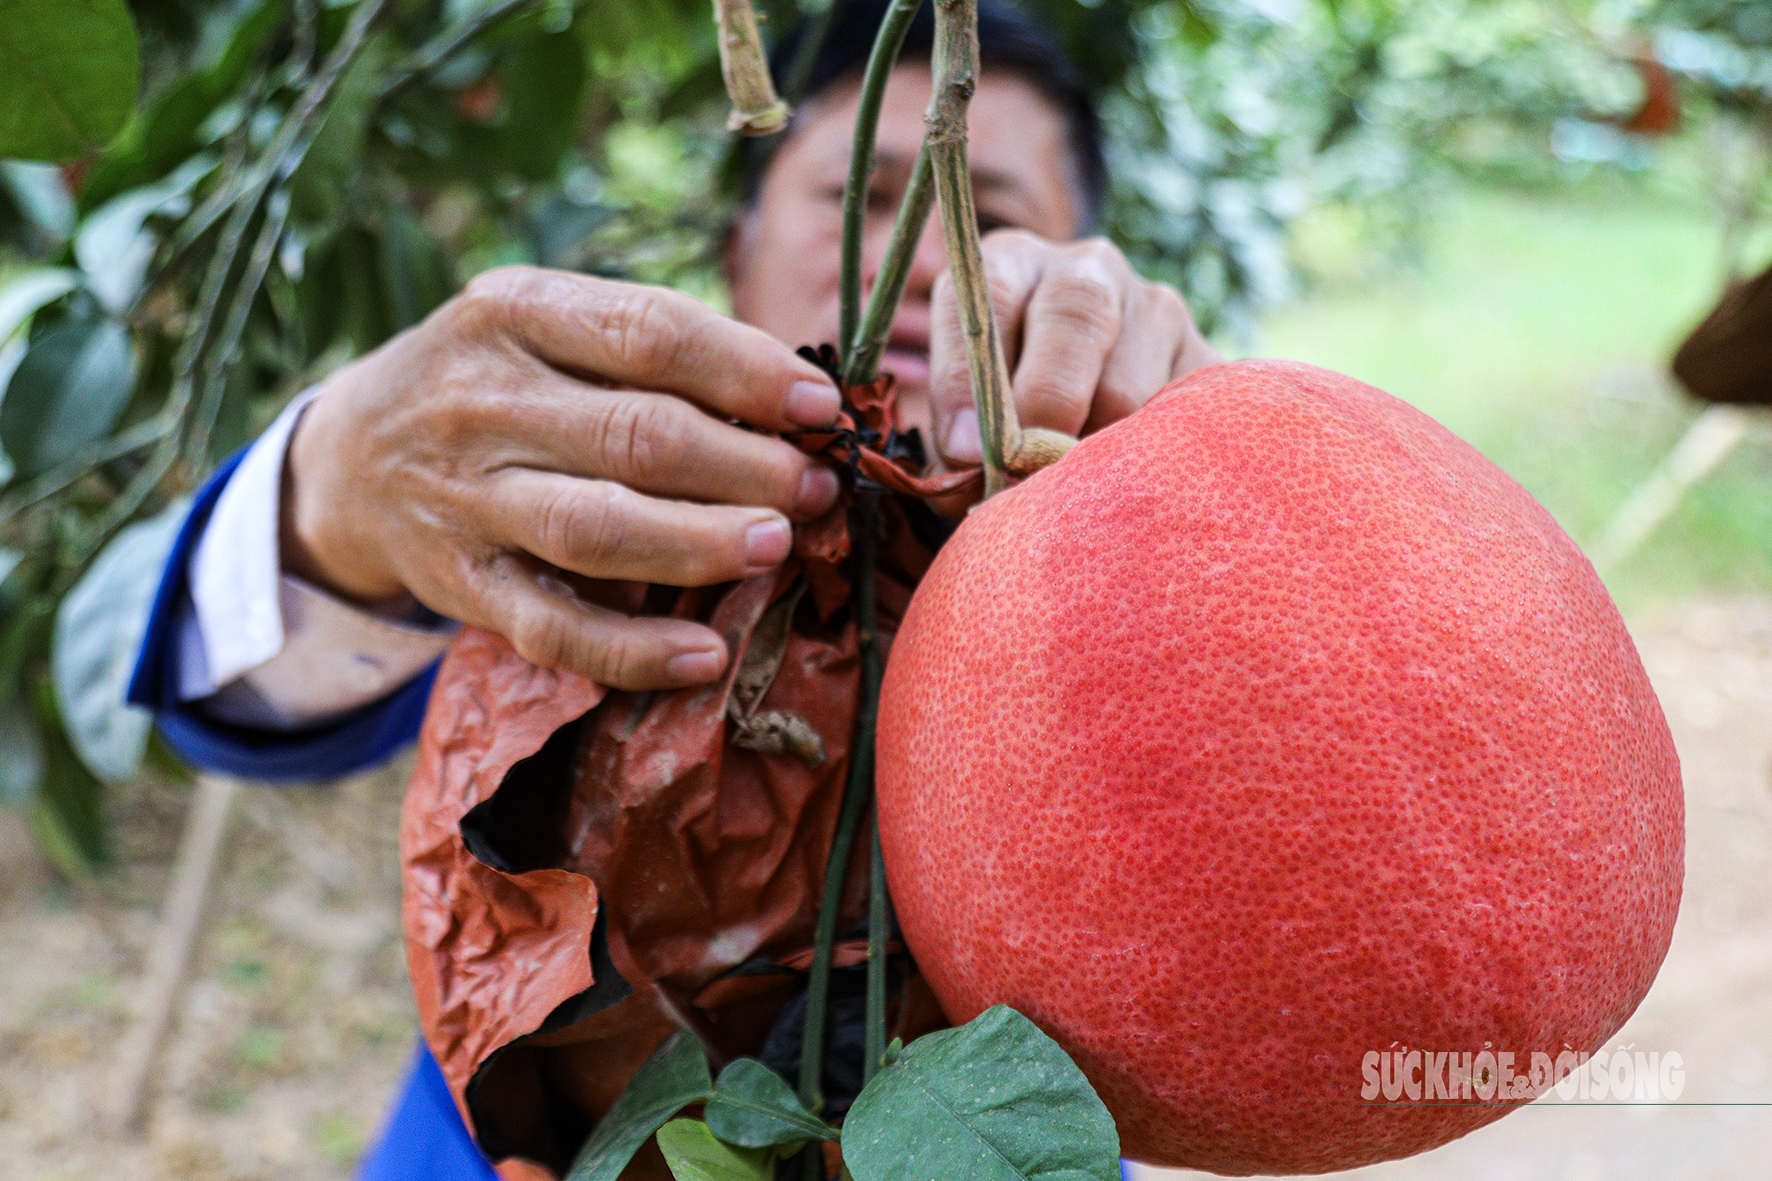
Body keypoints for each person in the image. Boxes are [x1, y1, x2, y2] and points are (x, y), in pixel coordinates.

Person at [127, 2, 1220, 1177]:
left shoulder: (1107, 544)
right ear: (734, 243)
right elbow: (226, 699)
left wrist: (1196, 492)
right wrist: (335, 487)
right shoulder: (583, 486)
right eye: (866, 193)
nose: (917, 257)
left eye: (983, 217)